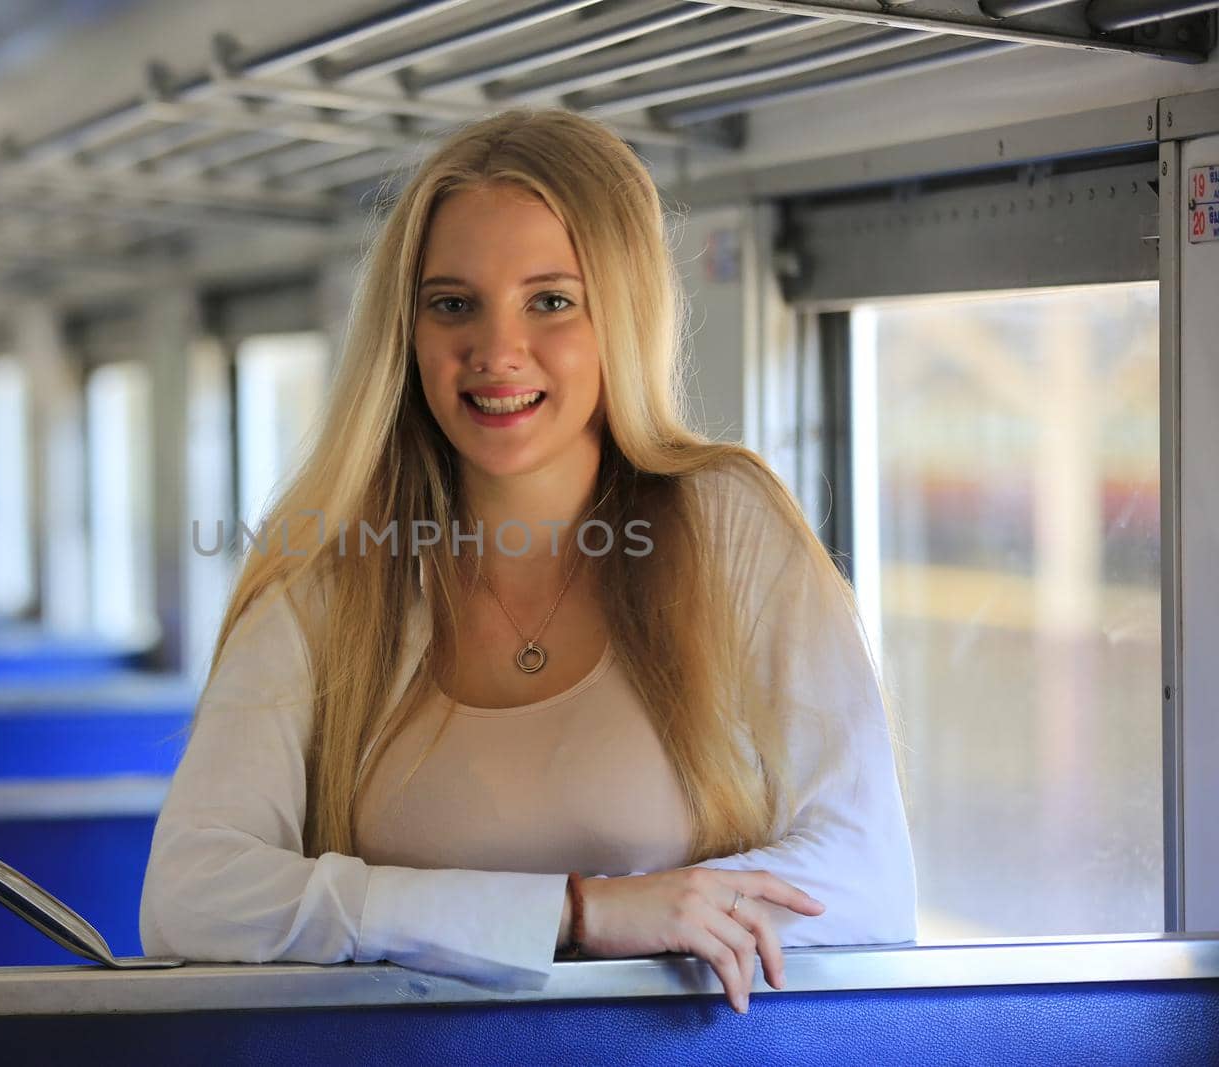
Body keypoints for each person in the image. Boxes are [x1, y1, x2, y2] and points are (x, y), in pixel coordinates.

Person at [140, 107, 917, 1015]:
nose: (496, 352)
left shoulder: (728, 529)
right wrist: (573, 911)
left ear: (621, 315)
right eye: (452, 303)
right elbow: (191, 894)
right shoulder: (330, 567)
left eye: (551, 300)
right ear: (410, 330)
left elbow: (865, 877)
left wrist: (674, 910)